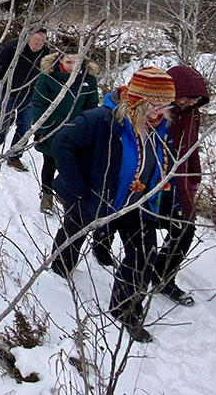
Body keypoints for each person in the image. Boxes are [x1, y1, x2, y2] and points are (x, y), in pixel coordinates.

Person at [50, 67, 177, 344]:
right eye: (153, 105)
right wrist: (80, 189)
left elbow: (161, 166)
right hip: (97, 197)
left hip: (137, 203)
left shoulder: (160, 129)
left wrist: (165, 197)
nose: (159, 112)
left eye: (165, 106)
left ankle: (125, 309)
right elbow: (62, 143)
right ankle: (59, 270)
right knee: (74, 232)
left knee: (143, 254)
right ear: (136, 99)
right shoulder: (102, 120)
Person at [155, 66, 209, 305]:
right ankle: (102, 243)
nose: (190, 102)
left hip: (178, 181)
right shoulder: (157, 112)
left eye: (195, 99)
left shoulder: (191, 115)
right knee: (134, 227)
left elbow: (190, 147)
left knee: (184, 228)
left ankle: (163, 277)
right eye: (187, 97)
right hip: (150, 181)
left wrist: (194, 177)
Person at [31, 45, 99, 202]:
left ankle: (63, 192)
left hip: (76, 128)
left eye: (77, 62)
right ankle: (46, 194)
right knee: (50, 162)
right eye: (69, 62)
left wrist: (90, 128)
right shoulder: (48, 76)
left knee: (71, 164)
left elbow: (91, 105)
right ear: (60, 60)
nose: (73, 66)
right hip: (52, 127)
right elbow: (39, 104)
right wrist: (40, 129)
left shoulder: (87, 78)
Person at [0, 29, 49, 163]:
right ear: (28, 40)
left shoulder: (46, 52)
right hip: (9, 90)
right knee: (4, 122)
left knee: (25, 126)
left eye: (41, 44)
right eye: (35, 43)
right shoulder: (13, 46)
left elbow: (47, 72)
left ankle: (14, 156)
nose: (37, 47)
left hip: (30, 93)